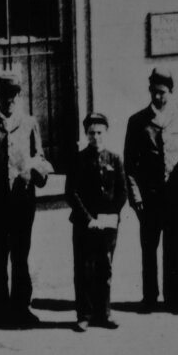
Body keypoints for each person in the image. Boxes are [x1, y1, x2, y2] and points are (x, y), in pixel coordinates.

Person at [0, 72, 52, 328]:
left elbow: (39, 156)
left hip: (22, 204)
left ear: (19, 95)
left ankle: (21, 309)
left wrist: (36, 170)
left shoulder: (29, 123)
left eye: (14, 94)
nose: (10, 99)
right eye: (5, 95)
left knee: (20, 256)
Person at [123, 68, 178, 312]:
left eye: (163, 92)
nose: (158, 97)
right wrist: (135, 196)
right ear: (150, 91)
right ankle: (149, 297)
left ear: (171, 91)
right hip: (149, 197)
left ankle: (174, 296)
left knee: (173, 245)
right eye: (154, 92)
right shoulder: (137, 121)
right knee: (149, 246)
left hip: (174, 195)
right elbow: (129, 165)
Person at [66, 112, 128, 332]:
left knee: (105, 268)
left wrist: (112, 215)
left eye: (100, 132)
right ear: (86, 134)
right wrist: (89, 219)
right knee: (84, 269)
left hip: (108, 224)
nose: (96, 137)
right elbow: (71, 193)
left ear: (106, 133)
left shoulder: (115, 159)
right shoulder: (79, 159)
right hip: (85, 224)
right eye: (91, 133)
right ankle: (84, 315)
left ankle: (105, 313)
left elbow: (122, 191)